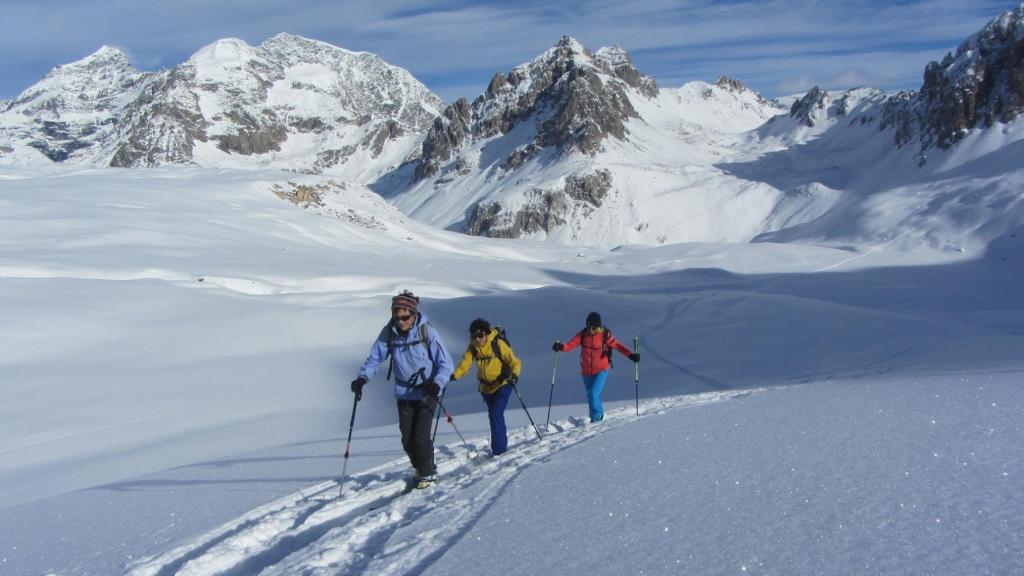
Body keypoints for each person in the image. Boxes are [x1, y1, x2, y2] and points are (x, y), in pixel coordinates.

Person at [350, 290, 454, 489]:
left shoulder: (427, 332)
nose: (400, 322)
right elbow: (375, 358)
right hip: (404, 392)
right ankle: (422, 467)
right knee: (407, 440)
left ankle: (428, 474)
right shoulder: (390, 332)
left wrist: (437, 383)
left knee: (420, 438)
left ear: (414, 315)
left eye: (405, 317)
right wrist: (362, 378)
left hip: (427, 391)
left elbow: (446, 364)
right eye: (397, 317)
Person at [451, 318, 522, 456]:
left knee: (496, 414)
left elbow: (515, 362)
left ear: (487, 333)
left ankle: (499, 451)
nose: (478, 339)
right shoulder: (473, 347)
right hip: (486, 388)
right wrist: (454, 376)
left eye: (481, 335)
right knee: (494, 415)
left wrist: (514, 375)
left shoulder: (497, 343)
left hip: (503, 384)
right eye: (474, 336)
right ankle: (499, 446)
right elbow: (465, 364)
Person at [552, 311, 639, 423]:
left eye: (593, 328)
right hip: (586, 371)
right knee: (591, 395)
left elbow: (618, 346)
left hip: (601, 370)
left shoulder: (605, 336)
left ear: (598, 327)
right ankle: (599, 415)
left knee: (593, 393)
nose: (590, 330)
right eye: (588, 327)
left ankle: (596, 420)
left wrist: (631, 355)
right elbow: (570, 345)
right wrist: (560, 347)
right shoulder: (583, 335)